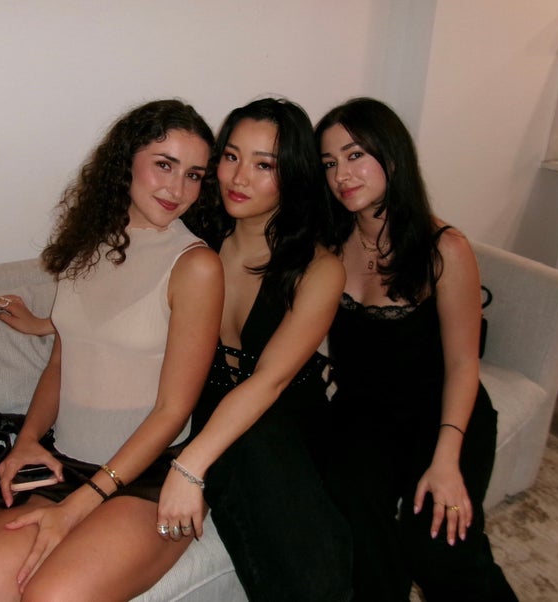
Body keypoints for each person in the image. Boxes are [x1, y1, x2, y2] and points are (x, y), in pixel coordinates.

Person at [0, 99, 224, 602]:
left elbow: (173, 411)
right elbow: (62, 363)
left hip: (148, 476)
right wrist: (28, 440)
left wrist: (83, 502)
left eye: (193, 175)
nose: (177, 189)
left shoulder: (196, 266)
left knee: (52, 597)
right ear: (127, 161)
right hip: (67, 460)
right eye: (164, 165)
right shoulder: (86, 245)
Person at [315, 97, 518, 601]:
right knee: (359, 535)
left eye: (355, 155)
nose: (342, 174)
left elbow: (463, 364)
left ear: (392, 155)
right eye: (330, 163)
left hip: (443, 414)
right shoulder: (330, 243)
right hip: (363, 415)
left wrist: (446, 460)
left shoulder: (444, 248)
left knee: (440, 548)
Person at [159, 97, 354, 601]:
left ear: (293, 175)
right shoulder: (193, 239)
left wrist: (189, 465)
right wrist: (52, 323)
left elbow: (270, 381)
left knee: (317, 564)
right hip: (219, 415)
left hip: (289, 418)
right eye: (231, 156)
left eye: (264, 165)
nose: (238, 177)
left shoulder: (319, 269)